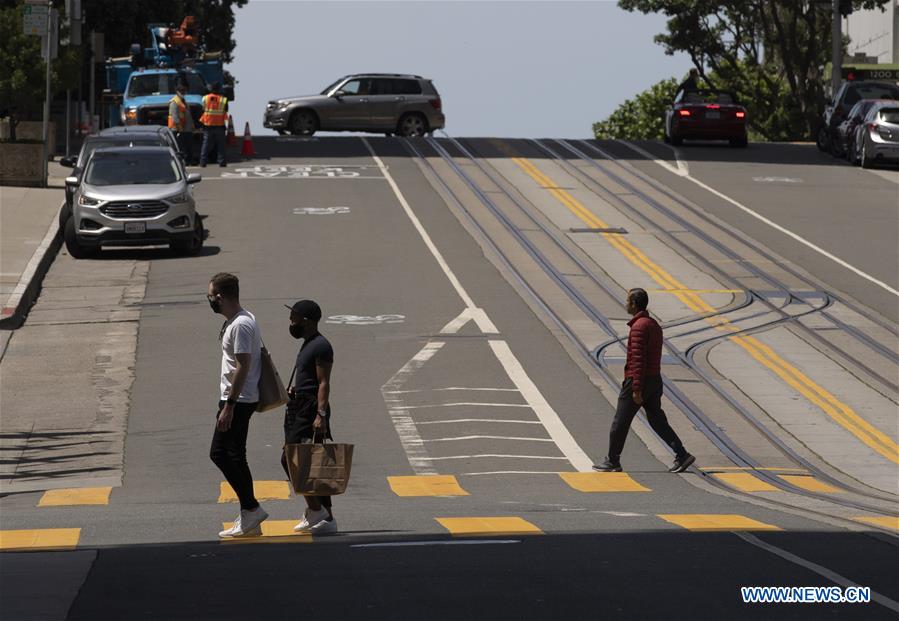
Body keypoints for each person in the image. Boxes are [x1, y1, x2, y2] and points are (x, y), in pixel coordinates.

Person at [594, 288, 696, 474]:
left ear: (634, 304)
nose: (625, 304)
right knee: (657, 420)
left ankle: (612, 460)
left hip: (638, 380)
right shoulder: (652, 324)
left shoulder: (639, 327)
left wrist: (636, 389)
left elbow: (638, 360)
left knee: (620, 422)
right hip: (654, 380)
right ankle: (681, 454)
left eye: (627, 301)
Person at [207, 272, 269, 538]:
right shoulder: (240, 320)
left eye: (210, 296)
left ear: (220, 297)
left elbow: (243, 366)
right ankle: (249, 515)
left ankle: (251, 508)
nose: (209, 301)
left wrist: (229, 405)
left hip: (239, 399)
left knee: (221, 453)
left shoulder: (241, 325)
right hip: (239, 397)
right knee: (233, 454)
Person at [281, 299, 337, 535]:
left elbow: (324, 383)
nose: (291, 322)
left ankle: (316, 510)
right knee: (313, 464)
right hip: (300, 405)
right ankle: (327, 519)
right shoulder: (308, 344)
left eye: (294, 317)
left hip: (311, 409)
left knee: (291, 459)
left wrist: (320, 414)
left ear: (307, 320)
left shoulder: (322, 345)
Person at [199, 82, 228, 168]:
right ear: (219, 89)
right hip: (219, 125)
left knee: (206, 144)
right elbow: (226, 110)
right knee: (221, 145)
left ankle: (203, 162)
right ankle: (222, 162)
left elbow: (203, 109)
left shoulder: (205, 98)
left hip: (208, 125)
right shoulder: (223, 99)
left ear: (211, 88)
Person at [168, 83, 194, 164]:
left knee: (188, 147)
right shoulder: (174, 102)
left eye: (184, 91)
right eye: (181, 91)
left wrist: (192, 125)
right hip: (178, 129)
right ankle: (182, 162)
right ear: (177, 92)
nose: (183, 93)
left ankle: (189, 160)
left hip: (186, 129)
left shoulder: (183, 102)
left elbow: (188, 115)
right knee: (180, 148)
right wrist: (180, 130)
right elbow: (175, 118)